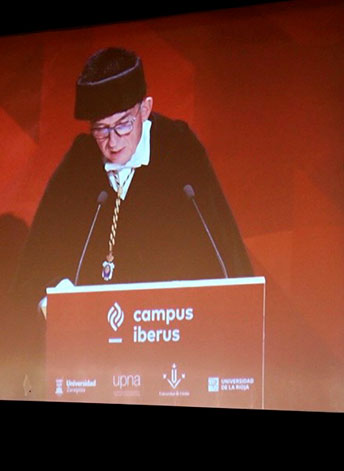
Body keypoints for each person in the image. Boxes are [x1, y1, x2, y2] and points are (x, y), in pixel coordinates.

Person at [14, 46, 253, 317]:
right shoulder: (80, 160)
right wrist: (55, 299)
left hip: (172, 325)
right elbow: (38, 260)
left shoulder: (179, 148)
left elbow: (224, 249)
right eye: (101, 129)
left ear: (145, 109)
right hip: (98, 337)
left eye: (123, 125)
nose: (112, 142)